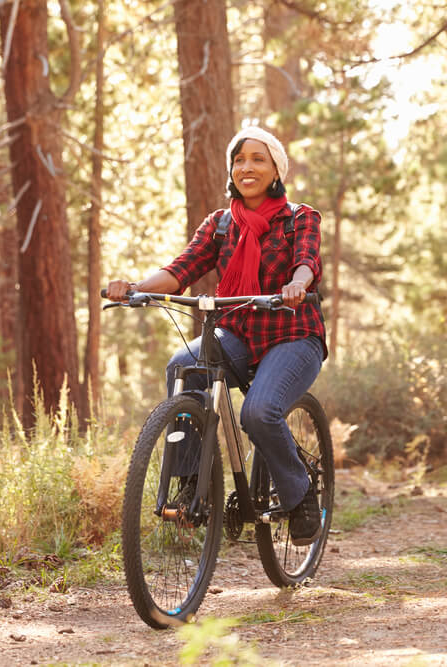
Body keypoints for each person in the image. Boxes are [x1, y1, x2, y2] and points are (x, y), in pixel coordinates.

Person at [106, 126, 327, 545]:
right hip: (238, 332)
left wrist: (298, 284)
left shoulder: (301, 217)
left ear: (276, 169)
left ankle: (300, 496)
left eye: (258, 159)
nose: (247, 167)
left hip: (293, 334)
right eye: (240, 159)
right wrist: (135, 287)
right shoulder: (220, 225)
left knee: (259, 413)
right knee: (182, 366)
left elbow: (307, 261)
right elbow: (179, 271)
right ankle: (192, 483)